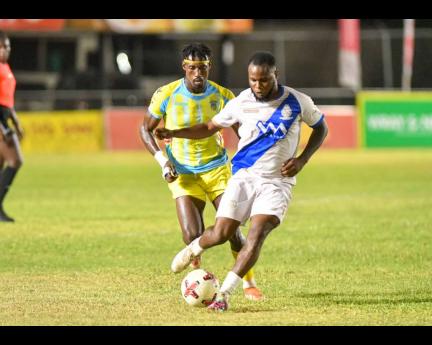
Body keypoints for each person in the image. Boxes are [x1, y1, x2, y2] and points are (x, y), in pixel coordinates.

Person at [155, 51, 328, 312]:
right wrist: (174, 132)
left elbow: (321, 127)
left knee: (256, 234)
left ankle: (224, 294)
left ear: (275, 75)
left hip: (277, 183)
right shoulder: (241, 102)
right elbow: (209, 127)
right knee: (222, 233)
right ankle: (193, 249)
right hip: (244, 177)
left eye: (264, 80)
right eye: (253, 80)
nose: (258, 86)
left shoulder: (297, 101)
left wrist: (302, 160)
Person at [139, 43, 263, 301]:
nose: (198, 73)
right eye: (193, 67)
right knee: (191, 235)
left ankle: (249, 284)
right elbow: (145, 129)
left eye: (203, 68)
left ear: (210, 67)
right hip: (182, 172)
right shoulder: (167, 93)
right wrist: (163, 162)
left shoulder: (224, 96)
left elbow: (243, 133)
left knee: (232, 231)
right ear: (184, 67)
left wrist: (250, 162)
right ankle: (198, 276)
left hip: (217, 169)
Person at [0, 31, 24, 222]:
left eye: (8, 46)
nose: (8, 50)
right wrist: (4, 128)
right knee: (16, 161)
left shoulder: (5, 67)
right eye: (4, 46)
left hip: (6, 120)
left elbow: (8, 101)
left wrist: (16, 122)